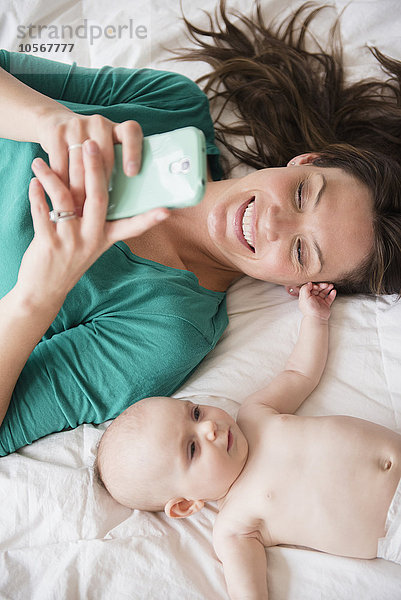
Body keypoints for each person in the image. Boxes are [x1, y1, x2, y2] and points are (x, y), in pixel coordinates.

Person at [1, 1, 401, 455]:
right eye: (302, 194)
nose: (272, 221)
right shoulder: (171, 107)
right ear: (306, 161)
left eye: (301, 251)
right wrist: (49, 119)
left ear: (303, 285)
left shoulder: (163, 331)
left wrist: (34, 296)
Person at [96, 282, 401, 600]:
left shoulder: (255, 414)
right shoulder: (234, 526)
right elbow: (248, 591)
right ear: (187, 504)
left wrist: (315, 320)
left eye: (196, 413)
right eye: (192, 448)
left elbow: (299, 373)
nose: (209, 429)